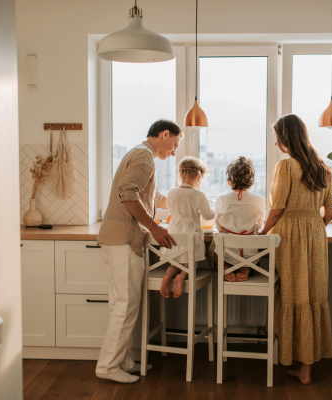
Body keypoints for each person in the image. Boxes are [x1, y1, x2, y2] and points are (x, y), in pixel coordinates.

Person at [95, 119, 181, 384]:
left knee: (122, 305)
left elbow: (149, 197)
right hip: (123, 239)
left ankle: (123, 361)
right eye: (175, 144)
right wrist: (155, 229)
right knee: (125, 306)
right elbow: (129, 195)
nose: (174, 151)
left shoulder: (139, 154)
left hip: (120, 239)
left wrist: (184, 199)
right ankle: (108, 367)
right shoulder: (145, 157)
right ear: (164, 134)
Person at [259, 114, 332, 384]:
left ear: (284, 138)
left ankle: (290, 359)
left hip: (289, 238)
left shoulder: (287, 167)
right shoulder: (324, 168)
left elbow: (277, 208)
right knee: (312, 296)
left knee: (290, 295)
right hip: (315, 237)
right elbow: (331, 213)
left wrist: (261, 233)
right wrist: (314, 226)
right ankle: (306, 369)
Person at [159, 157, 215, 298]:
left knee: (174, 264)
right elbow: (208, 216)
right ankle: (182, 277)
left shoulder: (172, 193)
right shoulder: (199, 195)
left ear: (180, 175)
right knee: (190, 265)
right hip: (191, 235)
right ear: (197, 177)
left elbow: (172, 210)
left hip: (174, 236)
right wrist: (215, 210)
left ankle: (168, 276)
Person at [209, 156, 266, 282]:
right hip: (249, 256)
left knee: (215, 247)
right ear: (251, 181)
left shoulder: (221, 200)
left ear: (229, 181)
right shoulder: (259, 200)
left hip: (227, 252)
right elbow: (260, 225)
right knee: (254, 256)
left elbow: (217, 225)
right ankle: (246, 268)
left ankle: (226, 266)